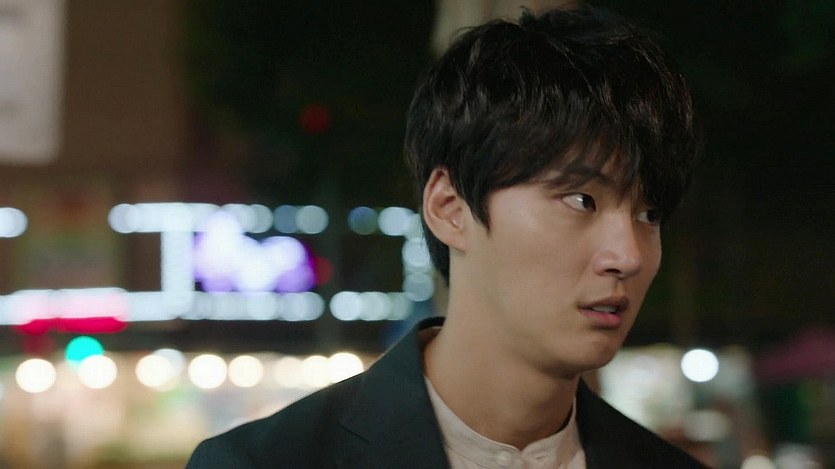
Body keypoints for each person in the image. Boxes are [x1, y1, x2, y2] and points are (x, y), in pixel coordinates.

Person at [186, 4, 706, 468]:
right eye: (581, 200)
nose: (628, 255)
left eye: (649, 213)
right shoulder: (262, 462)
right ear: (449, 209)